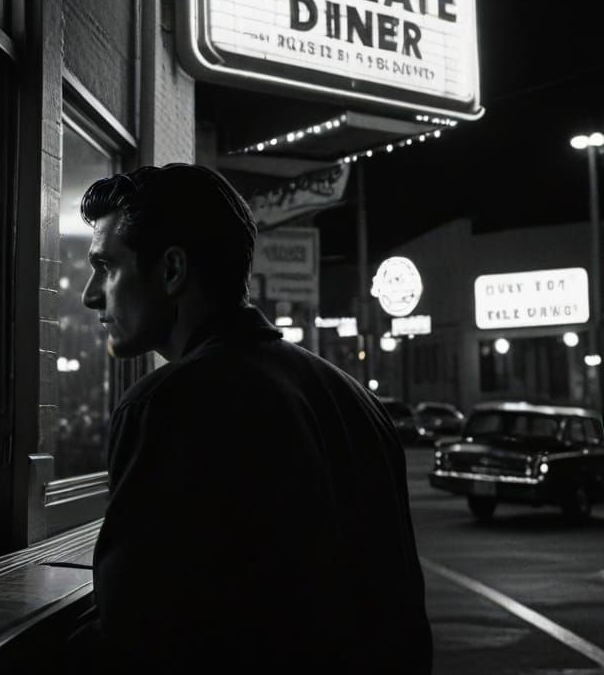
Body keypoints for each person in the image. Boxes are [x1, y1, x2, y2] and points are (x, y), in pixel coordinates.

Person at [70, 163, 432, 672]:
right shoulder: (356, 402)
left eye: (106, 267)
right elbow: (402, 617)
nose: (90, 295)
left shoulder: (166, 406)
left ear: (172, 270)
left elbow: (136, 633)